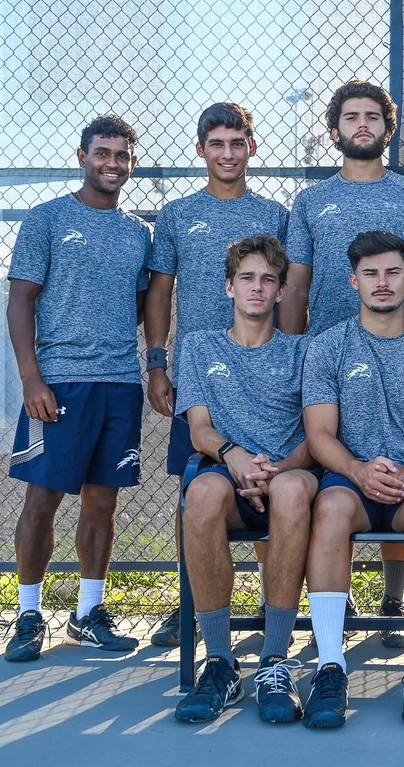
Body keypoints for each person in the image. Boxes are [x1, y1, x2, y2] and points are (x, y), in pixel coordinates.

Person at [283, 80, 404, 642]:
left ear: (387, 126)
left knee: (399, 458)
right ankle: (336, 610)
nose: (362, 124)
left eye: (372, 116)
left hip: (400, 347)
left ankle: (395, 596)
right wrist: (294, 354)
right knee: (338, 479)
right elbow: (296, 286)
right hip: (332, 357)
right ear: (334, 131)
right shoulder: (310, 201)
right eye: (350, 116)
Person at [4, 115, 151, 662]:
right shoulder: (45, 219)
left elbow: (138, 308)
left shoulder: (139, 233)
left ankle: (88, 614)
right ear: (83, 156)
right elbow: (21, 302)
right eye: (102, 153)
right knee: (41, 501)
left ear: (131, 163)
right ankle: (27, 615)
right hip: (59, 382)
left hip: (119, 383)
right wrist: (31, 377)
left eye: (121, 155)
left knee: (102, 503)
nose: (111, 163)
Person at [144, 102, 290, 648]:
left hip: (264, 377)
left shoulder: (275, 213)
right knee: (198, 493)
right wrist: (159, 362)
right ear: (201, 149)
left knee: (269, 485)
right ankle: (191, 605)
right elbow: (161, 290)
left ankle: (274, 599)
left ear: (251, 147)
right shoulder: (179, 214)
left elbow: (288, 292)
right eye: (217, 144)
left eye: (237, 143)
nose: (227, 153)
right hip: (203, 378)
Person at [301, 231, 404, 727]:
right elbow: (320, 433)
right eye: (371, 273)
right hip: (352, 479)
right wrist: (357, 469)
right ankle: (330, 665)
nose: (382, 283)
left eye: (393, 272)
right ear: (354, 281)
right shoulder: (328, 348)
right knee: (328, 509)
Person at [172, 235, 319, 725]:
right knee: (201, 492)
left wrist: (279, 468)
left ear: (281, 293)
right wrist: (234, 458)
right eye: (248, 279)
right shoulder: (198, 346)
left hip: (288, 476)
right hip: (229, 474)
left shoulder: (305, 351)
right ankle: (219, 663)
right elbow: (199, 428)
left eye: (268, 281)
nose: (258, 288)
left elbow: (317, 432)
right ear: (229, 287)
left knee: (294, 489)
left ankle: (275, 662)